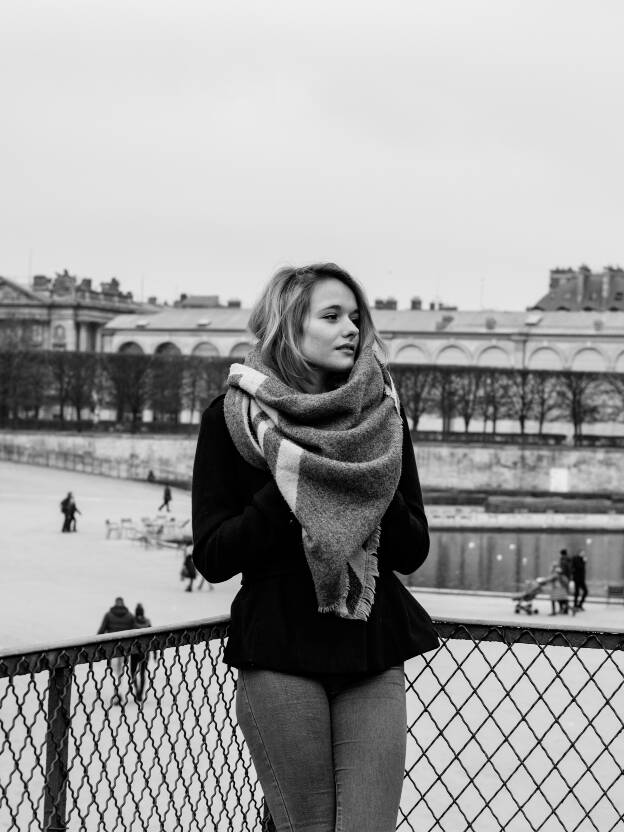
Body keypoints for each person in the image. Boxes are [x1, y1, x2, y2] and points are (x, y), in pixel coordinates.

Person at [192, 263, 439, 832]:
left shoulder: (384, 420)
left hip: (371, 651)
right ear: (287, 328)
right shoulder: (232, 419)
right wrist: (295, 488)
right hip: (280, 655)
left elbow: (412, 549)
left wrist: (366, 482)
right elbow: (213, 555)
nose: (352, 328)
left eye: (356, 316)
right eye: (331, 316)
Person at [97, 597, 136, 705]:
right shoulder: (129, 616)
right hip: (125, 649)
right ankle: (119, 692)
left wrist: (97, 643)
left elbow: (102, 630)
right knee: (121, 671)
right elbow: (135, 631)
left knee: (115, 671)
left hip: (112, 648)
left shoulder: (109, 615)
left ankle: (116, 693)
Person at [130, 603, 152, 702]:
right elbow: (152, 637)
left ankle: (137, 690)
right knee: (143, 673)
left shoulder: (133, 622)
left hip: (134, 652)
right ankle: (140, 693)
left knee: (133, 673)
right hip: (145, 651)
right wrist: (154, 653)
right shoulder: (147, 622)